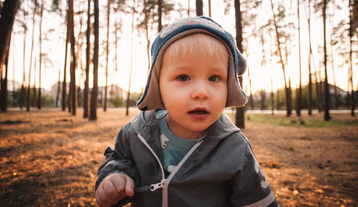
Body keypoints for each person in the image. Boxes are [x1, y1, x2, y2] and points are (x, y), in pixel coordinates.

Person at [95, 16, 279, 207]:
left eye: (214, 78)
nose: (201, 92)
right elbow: (118, 160)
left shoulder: (235, 148)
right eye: (183, 77)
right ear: (158, 86)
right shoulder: (135, 134)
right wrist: (115, 176)